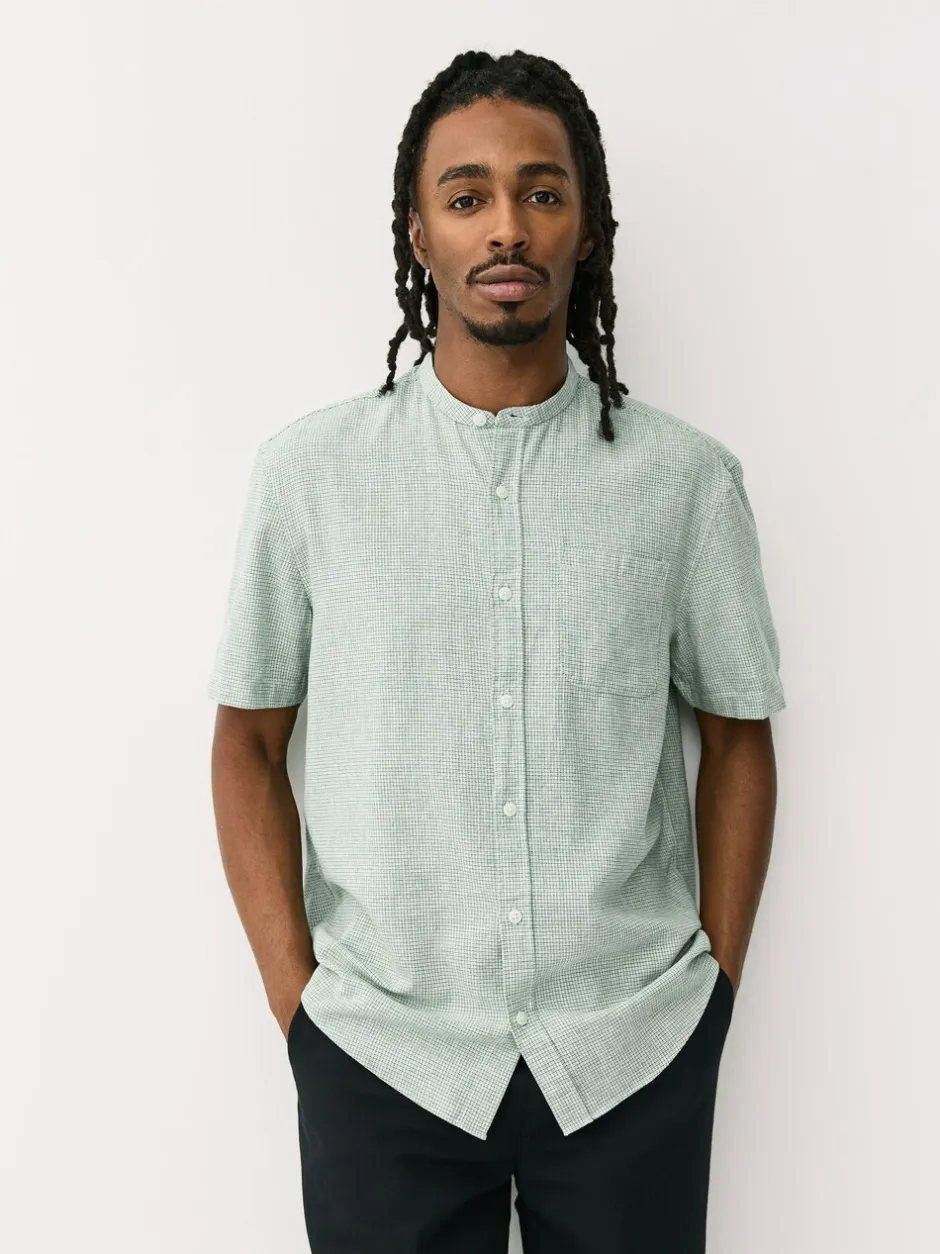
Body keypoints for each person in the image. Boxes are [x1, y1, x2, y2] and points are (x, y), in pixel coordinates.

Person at [207, 48, 786, 1254]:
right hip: (383, 1056)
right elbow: (246, 743)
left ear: (587, 226)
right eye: (466, 196)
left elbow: (738, 740)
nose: (506, 227)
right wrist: (301, 1009)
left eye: (541, 191)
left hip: (632, 1052)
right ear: (420, 233)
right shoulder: (311, 479)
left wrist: (712, 998)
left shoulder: (686, 484)